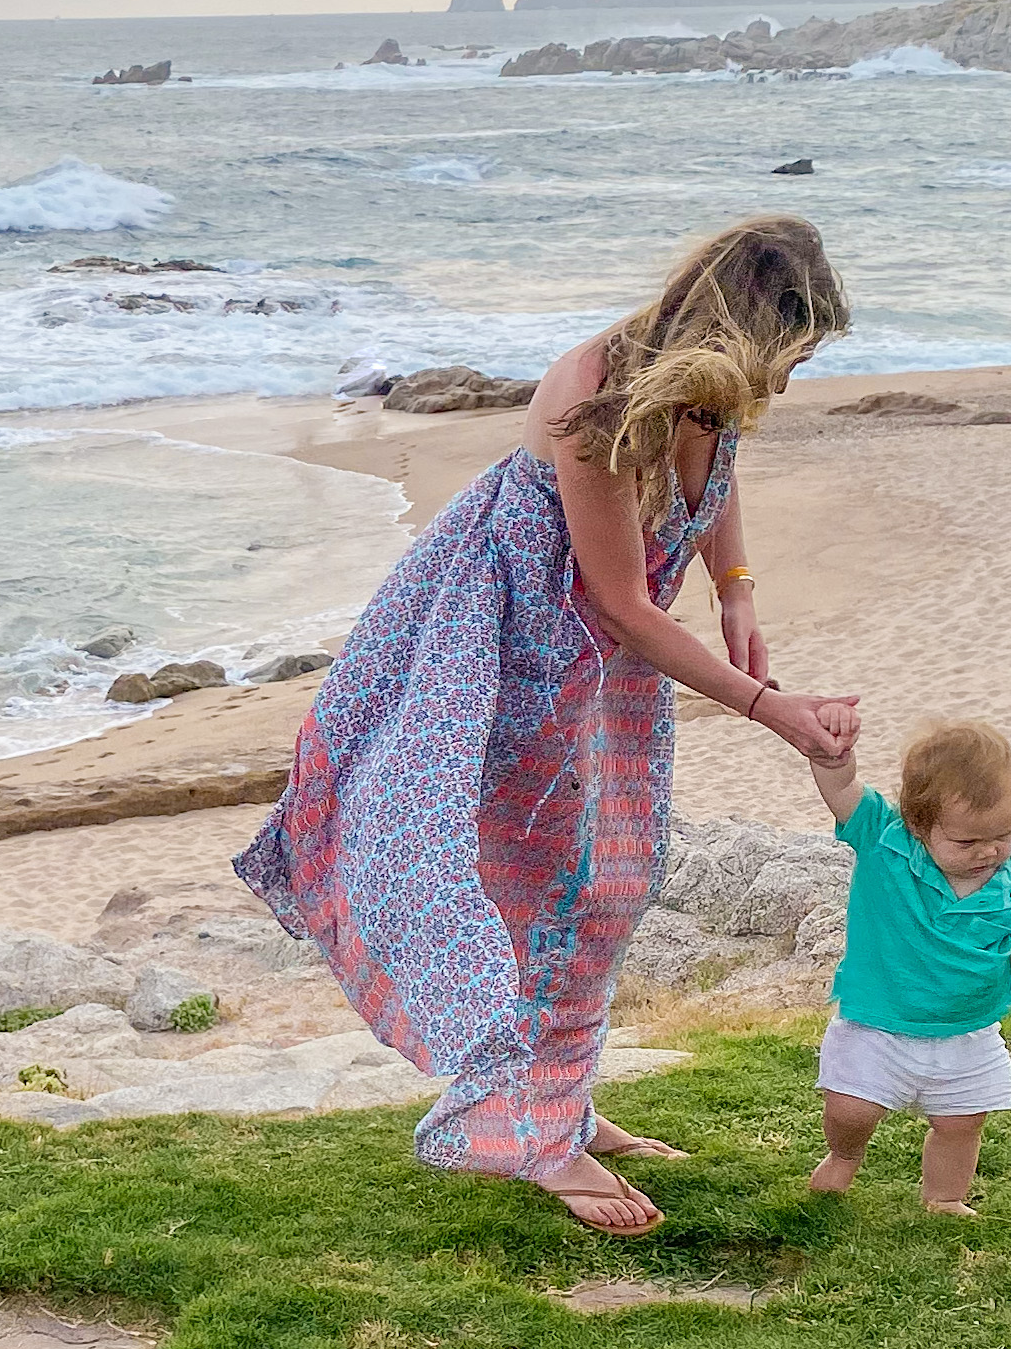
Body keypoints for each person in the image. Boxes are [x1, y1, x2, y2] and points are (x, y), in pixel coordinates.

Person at [237, 216, 860, 1236]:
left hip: (605, 661)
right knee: (530, 884)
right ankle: (533, 1135)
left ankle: (558, 1101)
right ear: (734, 329)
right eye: (783, 360)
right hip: (514, 646)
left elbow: (719, 475)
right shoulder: (595, 394)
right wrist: (772, 712)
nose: (783, 386)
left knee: (609, 877)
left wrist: (737, 589)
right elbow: (617, 597)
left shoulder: (708, 390)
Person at [801, 716, 1011, 1217]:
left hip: (967, 1030)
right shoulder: (884, 839)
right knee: (851, 1108)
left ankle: (944, 1197)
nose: (989, 852)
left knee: (962, 1123)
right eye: (966, 842)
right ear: (917, 824)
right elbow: (843, 789)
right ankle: (844, 1154)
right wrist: (833, 759)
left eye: (1003, 834)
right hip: (876, 1019)